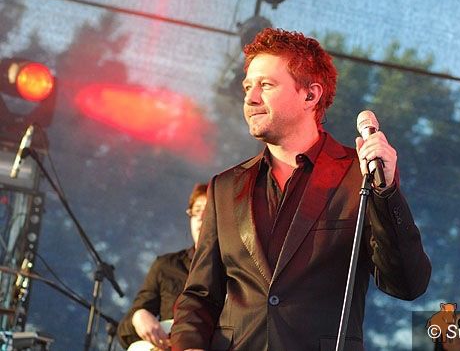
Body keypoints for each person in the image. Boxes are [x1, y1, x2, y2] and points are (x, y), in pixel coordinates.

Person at [171, 28, 432, 351]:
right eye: (248, 87)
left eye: (266, 85)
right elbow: (200, 295)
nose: (251, 98)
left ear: (310, 95)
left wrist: (386, 191)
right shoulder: (224, 187)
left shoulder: (358, 175)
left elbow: (407, 283)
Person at [117, 184, 208, 350]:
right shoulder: (165, 266)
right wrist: (139, 317)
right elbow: (124, 331)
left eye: (208, 210)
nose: (200, 217)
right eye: (196, 211)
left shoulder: (237, 270)